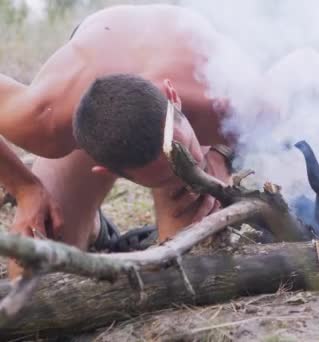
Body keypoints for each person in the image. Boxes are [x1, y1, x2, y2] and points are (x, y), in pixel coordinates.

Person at [0, 3, 302, 279]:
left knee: (185, 268)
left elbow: (300, 63)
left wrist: (220, 154)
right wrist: (26, 189)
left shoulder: (233, 103)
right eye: (168, 175)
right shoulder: (44, 120)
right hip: (101, 58)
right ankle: (90, 226)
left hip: (191, 48)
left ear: (174, 100)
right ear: (104, 168)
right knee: (31, 275)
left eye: (183, 157)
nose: (186, 175)